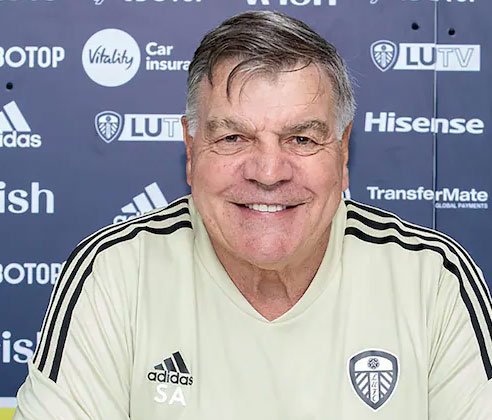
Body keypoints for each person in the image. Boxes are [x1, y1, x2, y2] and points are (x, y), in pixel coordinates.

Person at [14, 10, 492, 420]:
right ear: (191, 148)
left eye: (301, 139)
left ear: (343, 150)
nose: (268, 172)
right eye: (233, 138)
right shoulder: (115, 271)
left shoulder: (433, 279)